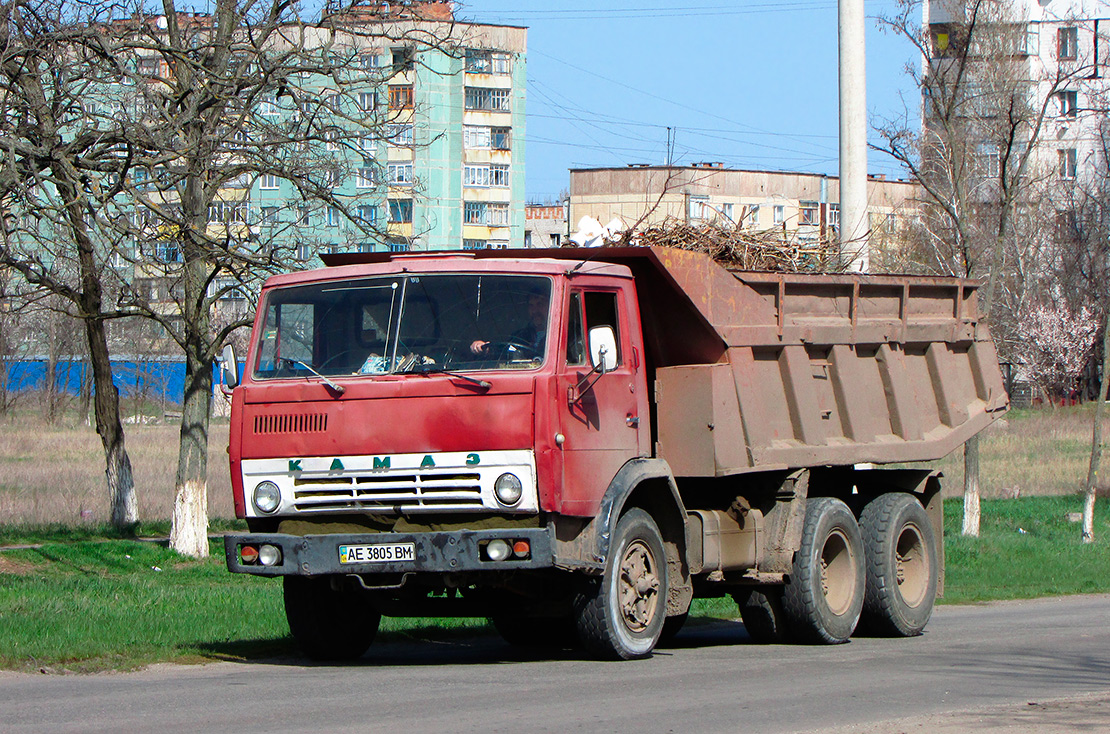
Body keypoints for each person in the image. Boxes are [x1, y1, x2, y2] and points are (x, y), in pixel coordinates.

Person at [470, 291, 548, 357]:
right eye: (531, 306)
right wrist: (486, 348)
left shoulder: (557, 335)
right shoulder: (521, 335)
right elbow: (506, 350)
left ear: (549, 305)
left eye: (540, 304)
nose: (534, 311)